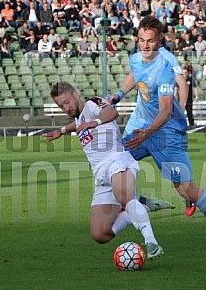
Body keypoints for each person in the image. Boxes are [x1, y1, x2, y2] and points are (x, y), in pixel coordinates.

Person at [107, 16, 206, 256]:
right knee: (113, 160)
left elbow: (167, 111)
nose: (145, 46)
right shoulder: (136, 57)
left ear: (160, 40)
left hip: (165, 134)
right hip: (140, 125)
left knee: (186, 190)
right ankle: (135, 203)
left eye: (150, 41)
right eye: (141, 40)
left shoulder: (166, 68)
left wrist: (150, 132)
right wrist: (118, 94)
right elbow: (134, 74)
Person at [42, 82, 163, 260]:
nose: (66, 108)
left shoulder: (93, 103)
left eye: (67, 102)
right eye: (61, 106)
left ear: (76, 94)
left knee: (124, 198)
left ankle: (151, 242)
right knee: (100, 234)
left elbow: (112, 113)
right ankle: (141, 206)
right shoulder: (79, 117)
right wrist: (61, 130)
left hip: (117, 160)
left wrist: (94, 122)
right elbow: (77, 125)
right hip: (100, 175)